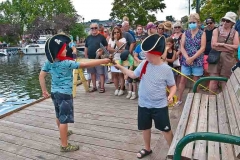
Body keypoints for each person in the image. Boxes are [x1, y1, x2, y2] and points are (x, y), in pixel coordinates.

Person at [39, 34, 110, 152]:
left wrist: (44, 91)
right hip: (65, 94)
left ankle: (63, 134)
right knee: (64, 120)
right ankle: (64, 145)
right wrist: (103, 60)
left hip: (54, 93)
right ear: (58, 52)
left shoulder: (49, 62)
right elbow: (85, 64)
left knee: (58, 115)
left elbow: (41, 76)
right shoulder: (67, 63)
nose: (66, 50)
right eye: (63, 49)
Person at [114, 34, 176, 159]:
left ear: (156, 54)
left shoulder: (166, 69)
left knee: (166, 129)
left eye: (147, 53)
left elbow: (173, 86)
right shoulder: (144, 64)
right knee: (145, 127)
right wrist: (120, 67)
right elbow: (132, 75)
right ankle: (147, 148)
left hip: (159, 105)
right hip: (143, 104)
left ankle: (174, 151)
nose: (145, 55)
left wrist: (171, 95)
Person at [176, 13, 206, 106]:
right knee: (182, 80)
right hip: (186, 60)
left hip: (197, 60)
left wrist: (193, 58)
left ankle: (195, 100)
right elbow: (182, 46)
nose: (192, 24)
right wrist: (187, 58)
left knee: (196, 81)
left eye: (194, 22)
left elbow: (202, 48)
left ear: (198, 22)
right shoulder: (186, 33)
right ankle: (179, 99)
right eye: (190, 22)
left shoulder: (202, 33)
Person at [208, 12, 239, 93]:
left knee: (225, 81)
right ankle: (211, 102)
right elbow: (213, 45)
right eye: (223, 20)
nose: (225, 22)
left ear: (232, 23)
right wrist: (228, 47)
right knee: (213, 80)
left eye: (228, 21)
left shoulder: (235, 32)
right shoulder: (216, 30)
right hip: (215, 58)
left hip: (228, 60)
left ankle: (226, 103)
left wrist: (221, 45)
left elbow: (236, 46)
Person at [84, 23, 108, 93]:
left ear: (97, 28)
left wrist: (102, 52)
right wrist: (86, 57)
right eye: (92, 28)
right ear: (90, 29)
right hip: (90, 59)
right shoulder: (88, 38)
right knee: (92, 73)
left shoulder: (102, 37)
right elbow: (86, 47)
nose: (94, 29)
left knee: (101, 73)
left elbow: (106, 47)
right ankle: (94, 87)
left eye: (95, 28)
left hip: (99, 59)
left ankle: (102, 87)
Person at [107, 26, 127, 96]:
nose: (116, 33)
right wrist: (117, 50)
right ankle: (116, 88)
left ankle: (121, 89)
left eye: (117, 32)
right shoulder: (110, 39)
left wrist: (116, 40)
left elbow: (121, 47)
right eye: (114, 32)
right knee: (114, 74)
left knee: (121, 75)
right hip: (113, 59)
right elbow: (109, 48)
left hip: (121, 59)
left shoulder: (123, 39)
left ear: (120, 32)